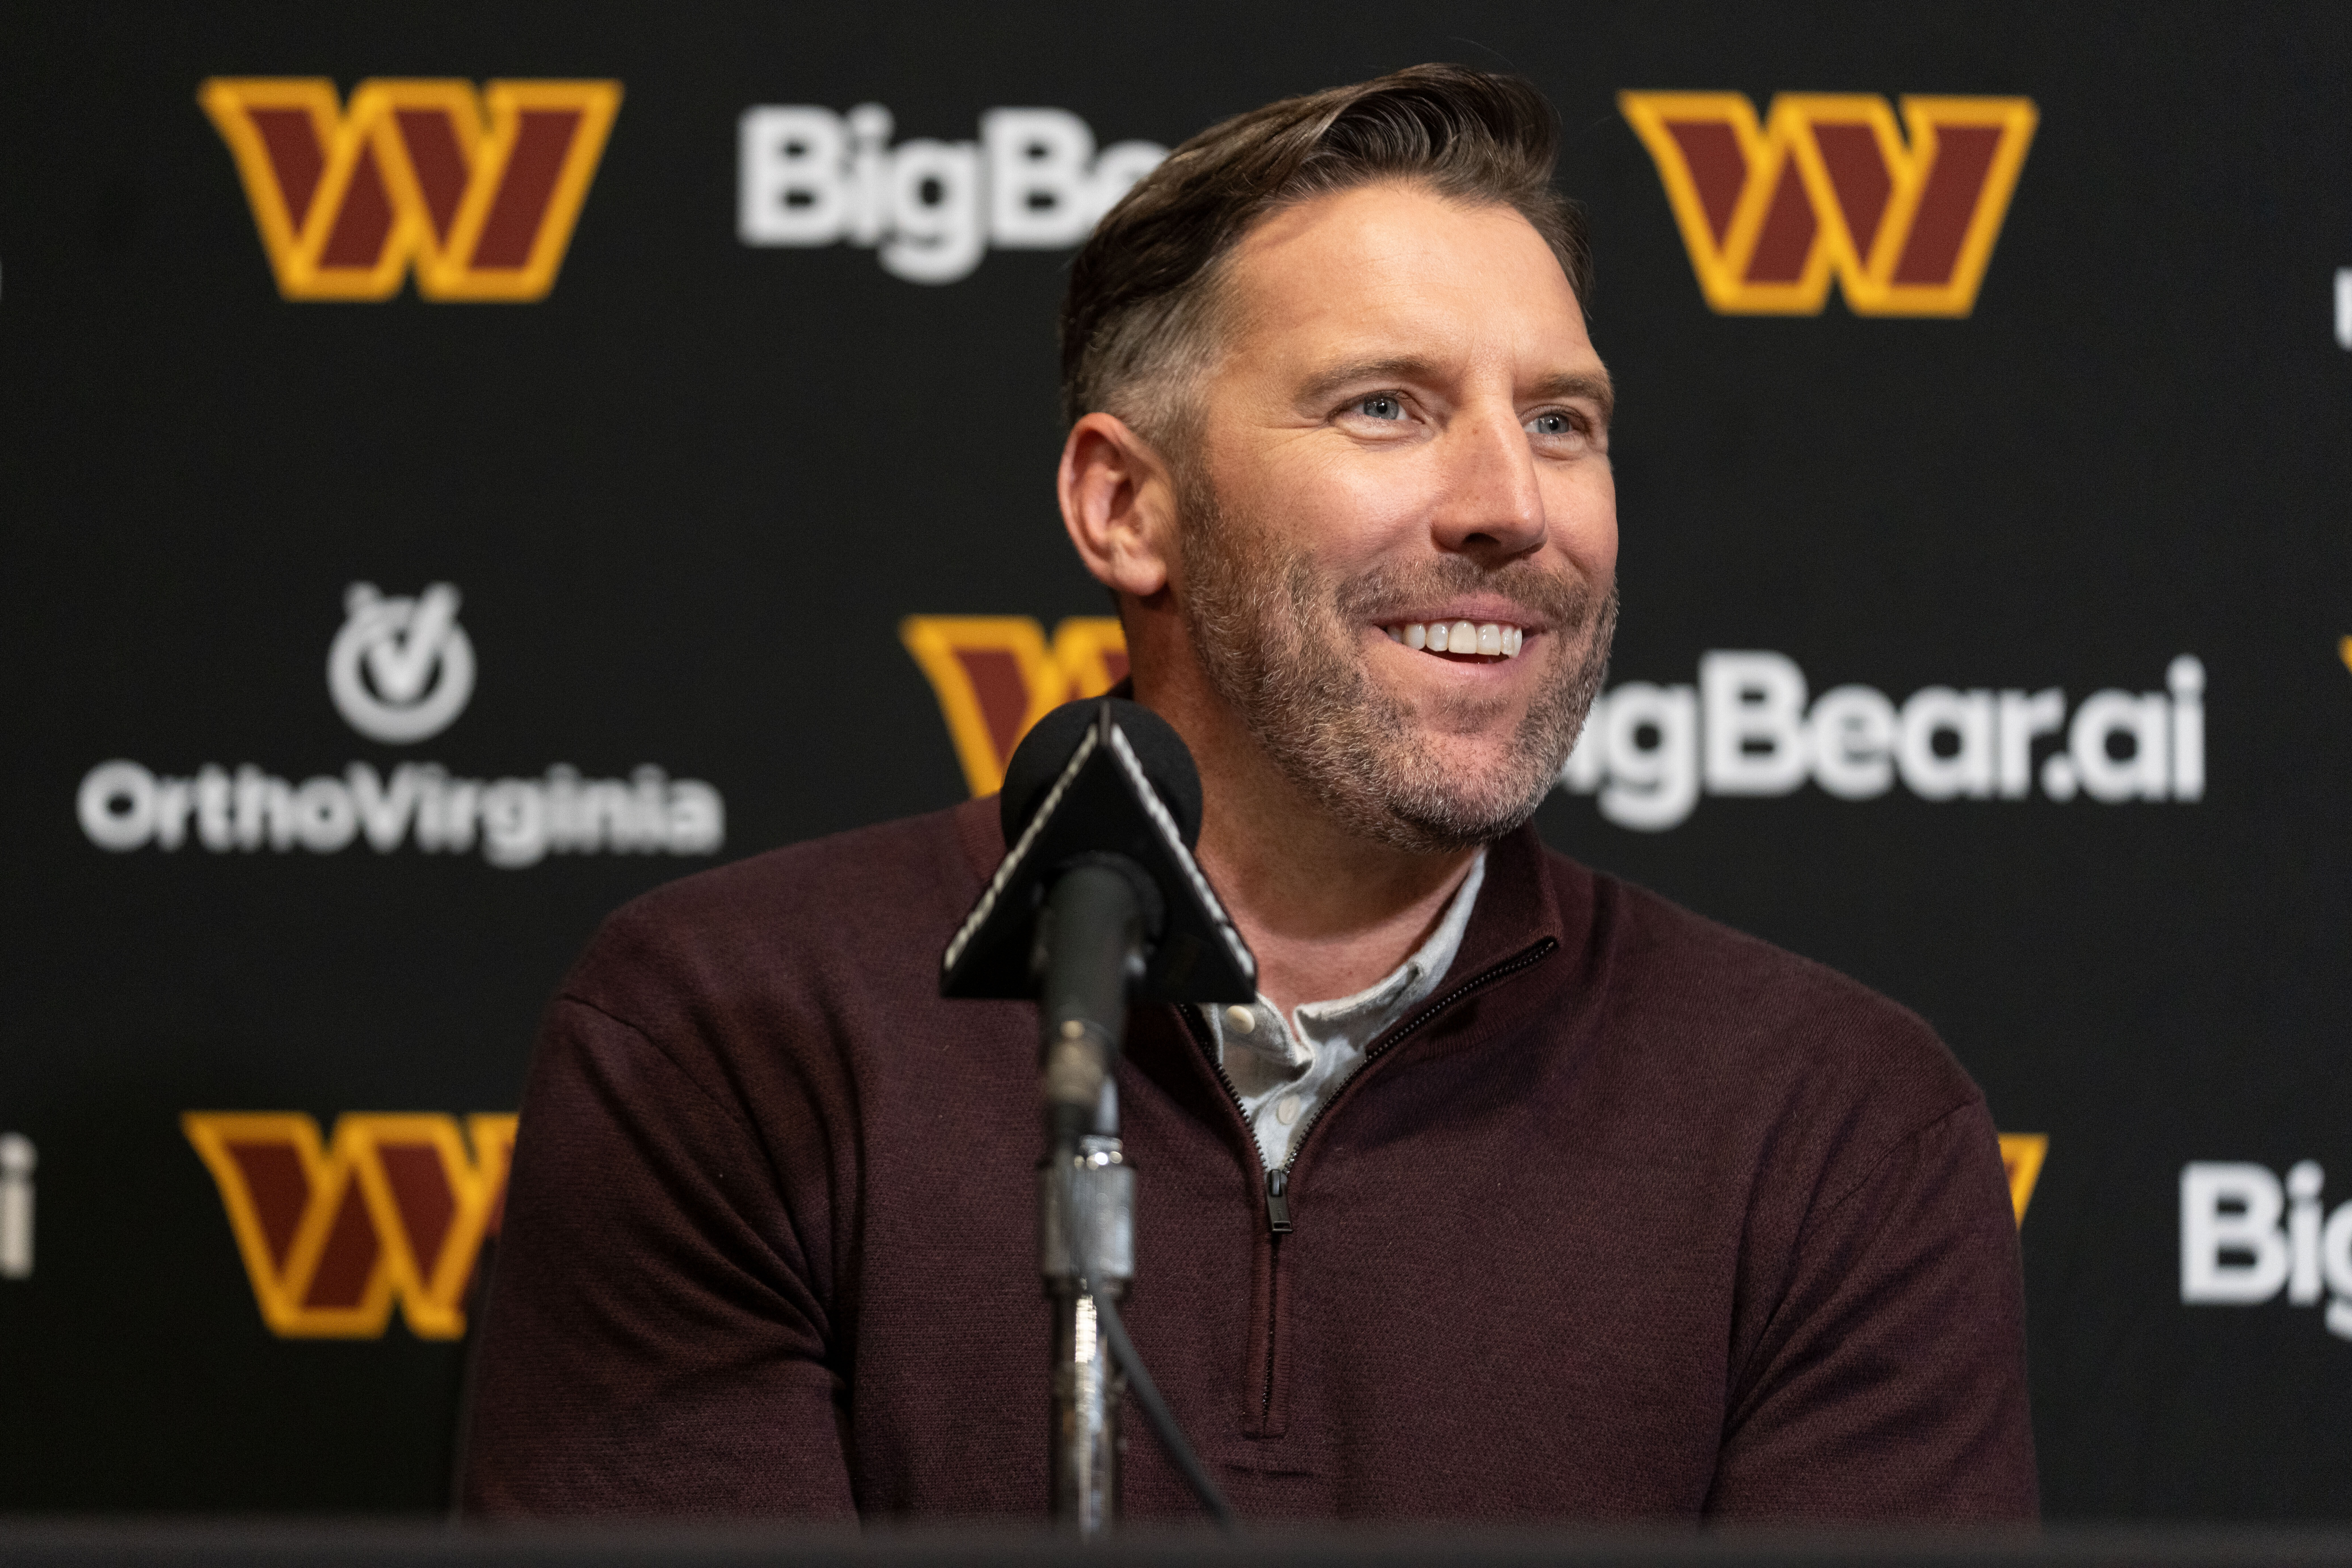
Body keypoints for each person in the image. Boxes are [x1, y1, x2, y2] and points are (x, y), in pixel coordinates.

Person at [464, 64, 2037, 1522]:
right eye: (1385, 408)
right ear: (1124, 504)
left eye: (1561, 422)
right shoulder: (733, 1035)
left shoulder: (1838, 1130)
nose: (1510, 506)